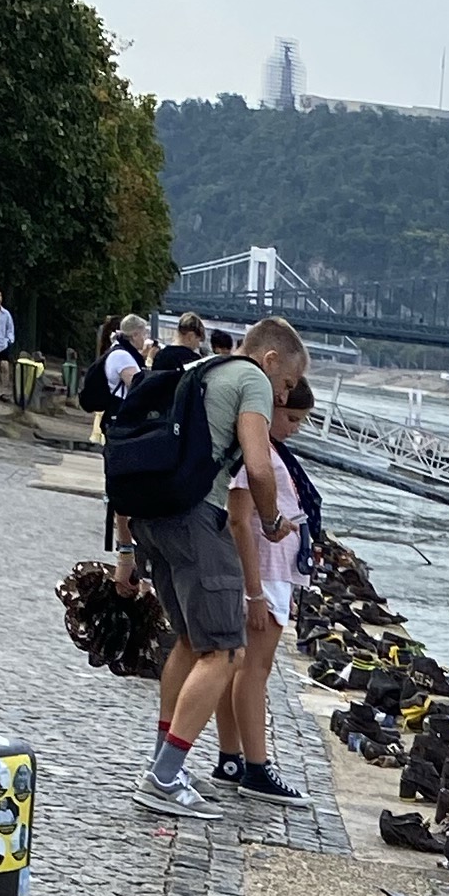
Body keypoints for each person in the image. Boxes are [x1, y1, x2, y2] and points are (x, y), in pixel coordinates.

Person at [126, 313, 309, 819]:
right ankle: (164, 777)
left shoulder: (201, 368)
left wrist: (124, 549)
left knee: (189, 644)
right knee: (226, 651)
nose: (283, 395)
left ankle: (164, 762)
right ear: (270, 360)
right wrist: (271, 521)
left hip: (153, 516)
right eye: (287, 383)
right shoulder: (250, 378)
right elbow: (256, 465)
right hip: (194, 519)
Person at [214, 372, 318, 800]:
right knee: (254, 671)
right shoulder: (256, 457)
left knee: (239, 667)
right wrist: (255, 592)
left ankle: (232, 756)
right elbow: (239, 519)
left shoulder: (272, 453)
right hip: (264, 574)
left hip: (271, 573)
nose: (295, 428)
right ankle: (256, 767)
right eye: (291, 418)